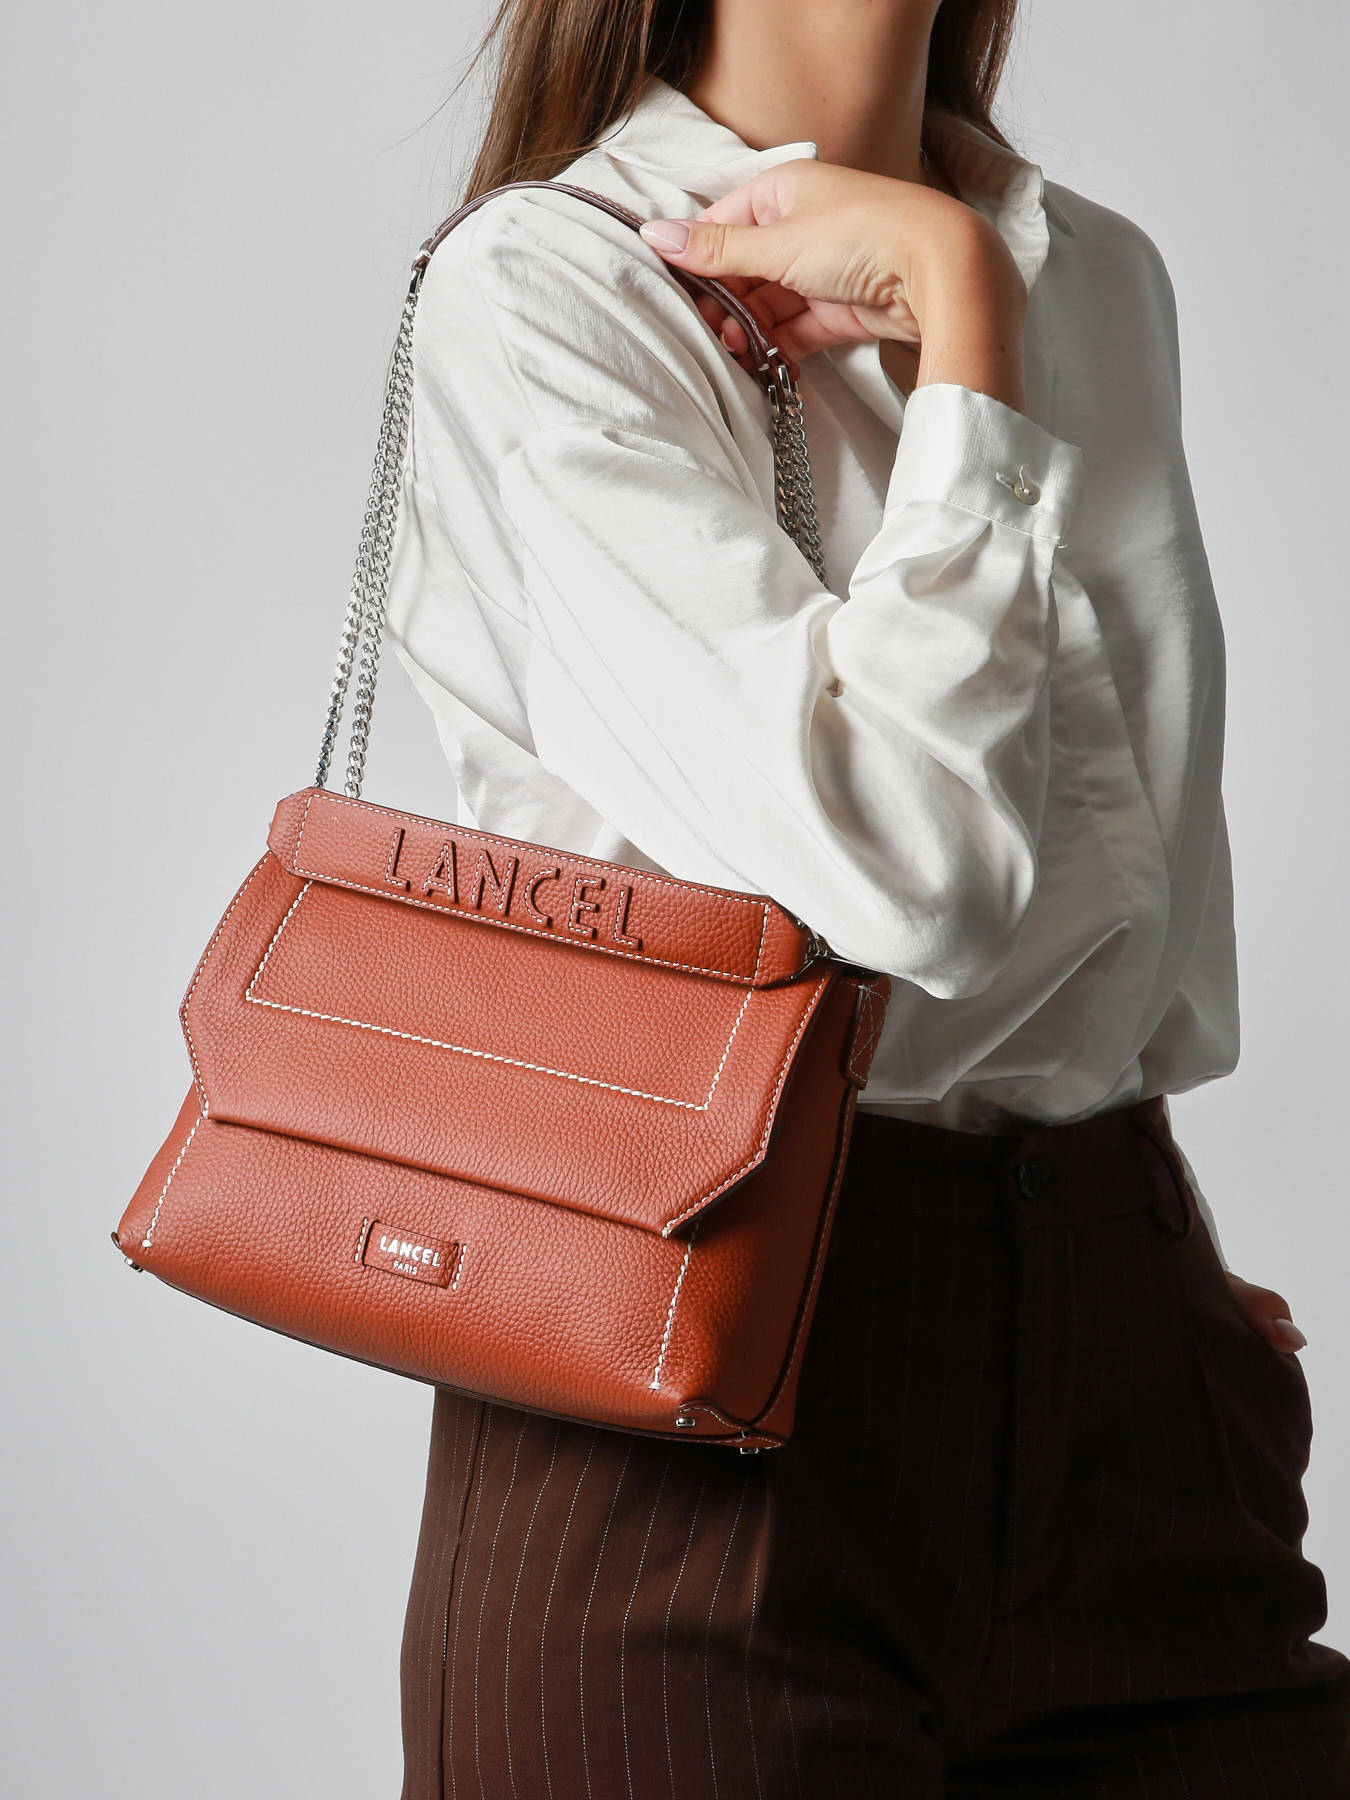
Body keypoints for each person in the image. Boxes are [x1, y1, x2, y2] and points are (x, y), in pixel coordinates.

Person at [383, 1, 1350, 1792]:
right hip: (688, 1388)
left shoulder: (1095, 273)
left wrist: (1132, 1253)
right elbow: (909, 874)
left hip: (1128, 1376)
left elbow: (1118, 851)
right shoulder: (549, 289)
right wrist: (958, 312)